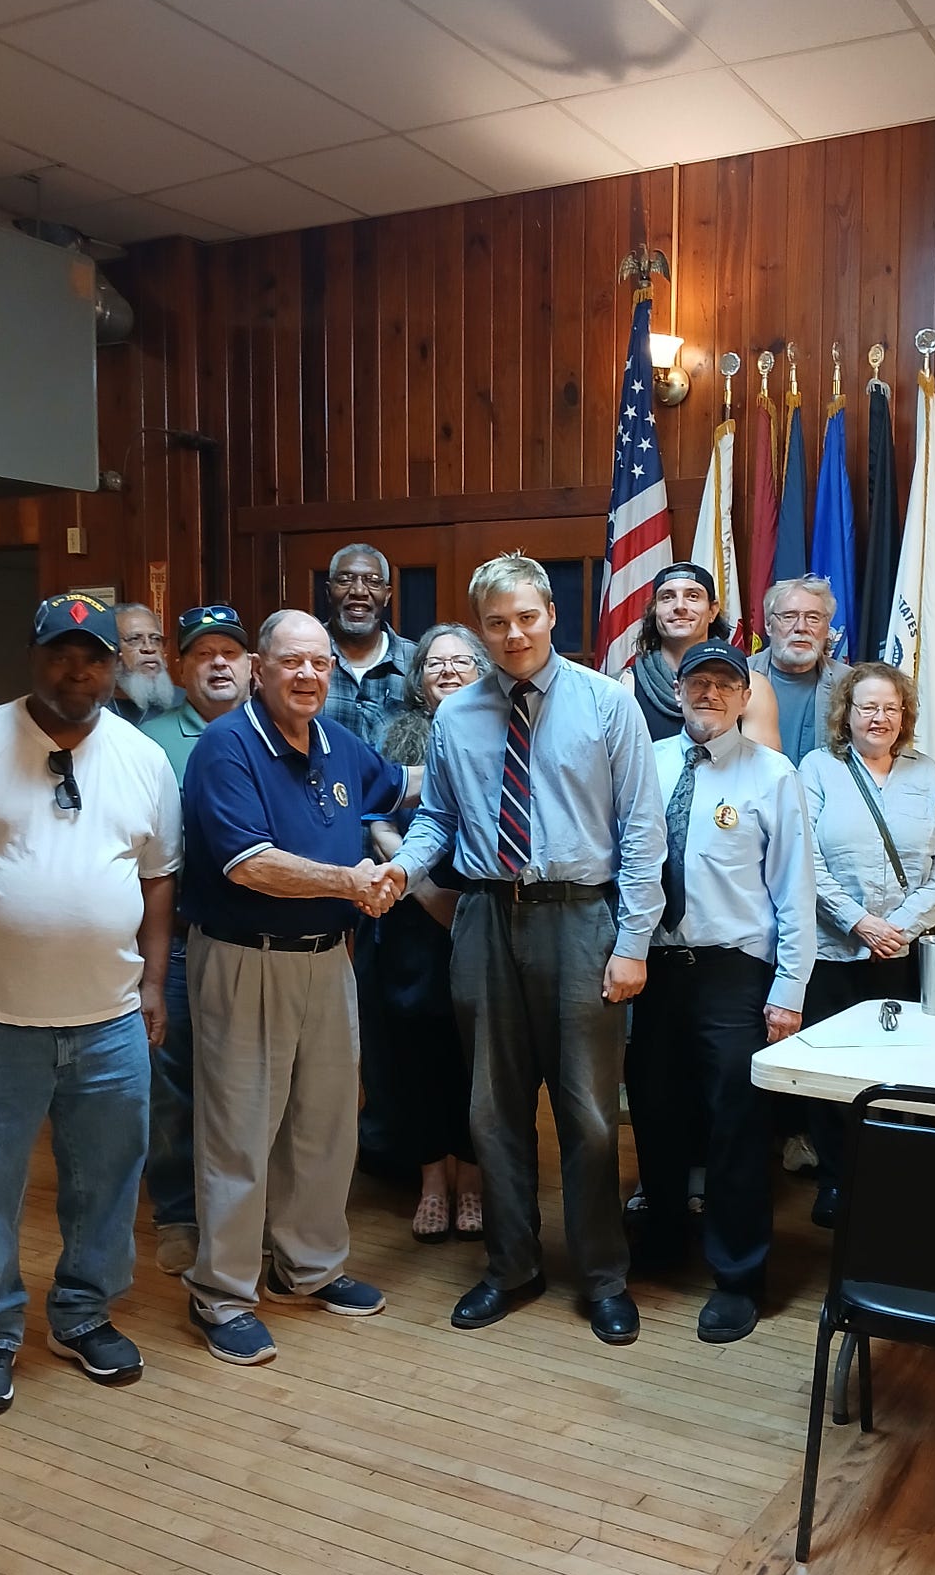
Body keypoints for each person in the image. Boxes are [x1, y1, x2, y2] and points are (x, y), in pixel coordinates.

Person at [0, 592, 182, 1417]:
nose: (77, 668)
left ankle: (82, 1314)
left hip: (109, 1020)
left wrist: (153, 984)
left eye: (93, 655)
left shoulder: (142, 759)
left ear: (115, 666)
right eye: (61, 652)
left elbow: (159, 879)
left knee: (108, 1181)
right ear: (34, 655)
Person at [380, 552, 667, 1345]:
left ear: (551, 613)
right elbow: (437, 818)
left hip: (580, 920)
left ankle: (602, 1275)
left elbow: (643, 831)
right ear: (481, 628)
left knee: (589, 1114)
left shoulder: (609, 705)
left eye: (527, 616)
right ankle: (511, 1265)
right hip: (483, 919)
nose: (514, 634)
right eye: (497, 622)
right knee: (492, 1110)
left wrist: (634, 940)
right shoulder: (457, 715)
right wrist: (403, 866)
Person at [179, 610, 415, 1368]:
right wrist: (353, 881)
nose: (309, 675)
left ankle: (306, 1267)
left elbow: (399, 787)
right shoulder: (226, 748)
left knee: (325, 1121)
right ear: (260, 667)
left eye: (319, 664)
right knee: (240, 1131)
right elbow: (249, 863)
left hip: (327, 957)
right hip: (247, 956)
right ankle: (222, 1292)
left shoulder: (339, 746)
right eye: (292, 663)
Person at [625, 640, 815, 1343]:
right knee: (655, 1107)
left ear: (743, 697)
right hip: (655, 967)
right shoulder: (647, 761)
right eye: (696, 681)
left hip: (735, 973)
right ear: (677, 692)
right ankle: (666, 1237)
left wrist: (789, 987)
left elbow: (795, 886)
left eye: (723, 684)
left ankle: (739, 1273)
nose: (709, 693)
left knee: (737, 1129)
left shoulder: (773, 773)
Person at [797, 661, 935, 1220]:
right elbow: (805, 858)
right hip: (833, 950)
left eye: (891, 707)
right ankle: (837, 1179)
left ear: (906, 715)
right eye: (868, 706)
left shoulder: (929, 774)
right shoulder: (818, 769)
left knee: (902, 1067)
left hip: (903, 954)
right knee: (834, 1069)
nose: (880, 717)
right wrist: (858, 922)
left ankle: (895, 1173)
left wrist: (901, 928)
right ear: (847, 713)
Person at [358, 624, 490, 1243]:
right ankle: (432, 1181)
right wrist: (424, 890)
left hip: (484, 911)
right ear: (418, 675)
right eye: (434, 663)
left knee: (476, 1055)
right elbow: (376, 821)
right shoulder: (395, 735)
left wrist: (456, 900)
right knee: (416, 1055)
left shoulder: (500, 730)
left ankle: (473, 1180)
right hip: (413, 920)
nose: (446, 672)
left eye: (461, 662)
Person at [139, 603, 253, 1275]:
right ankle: (177, 1210)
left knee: (245, 1083)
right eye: (202, 652)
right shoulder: (148, 741)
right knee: (172, 1081)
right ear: (180, 667)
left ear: (250, 666)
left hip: (249, 941)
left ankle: (244, 1211)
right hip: (177, 940)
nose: (217, 662)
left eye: (228, 652)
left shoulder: (278, 731)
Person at [620, 561, 780, 748]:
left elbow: (763, 771)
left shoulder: (752, 686)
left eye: (693, 596)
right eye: (667, 597)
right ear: (655, 611)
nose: (679, 606)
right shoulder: (627, 685)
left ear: (712, 611)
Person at [321, 543, 416, 747]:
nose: (358, 591)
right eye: (345, 579)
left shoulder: (416, 661)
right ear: (329, 592)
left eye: (373, 581)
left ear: (387, 595)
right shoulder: (306, 657)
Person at [749, 574, 845, 769]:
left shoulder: (849, 683)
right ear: (768, 625)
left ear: (827, 629)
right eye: (789, 617)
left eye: (813, 618)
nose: (801, 628)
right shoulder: (739, 677)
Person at [111, 602, 183, 722]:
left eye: (155, 639)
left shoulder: (183, 702)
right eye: (134, 639)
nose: (149, 648)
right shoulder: (91, 706)